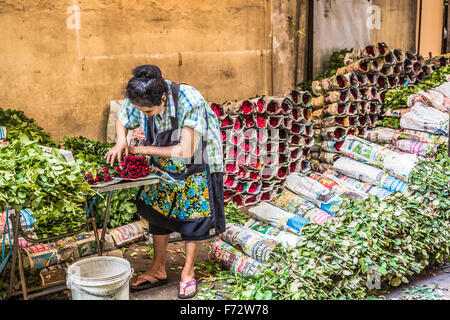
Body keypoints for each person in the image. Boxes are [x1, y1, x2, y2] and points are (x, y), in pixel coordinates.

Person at [105, 65, 225, 299]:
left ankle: (188, 273)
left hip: (197, 159)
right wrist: (121, 140)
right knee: (158, 211)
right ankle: (158, 267)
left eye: (148, 112)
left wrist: (141, 149)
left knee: (194, 216)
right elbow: (123, 119)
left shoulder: (190, 101)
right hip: (164, 159)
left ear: (162, 98)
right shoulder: (140, 94)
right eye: (142, 111)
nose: (145, 115)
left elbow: (187, 149)